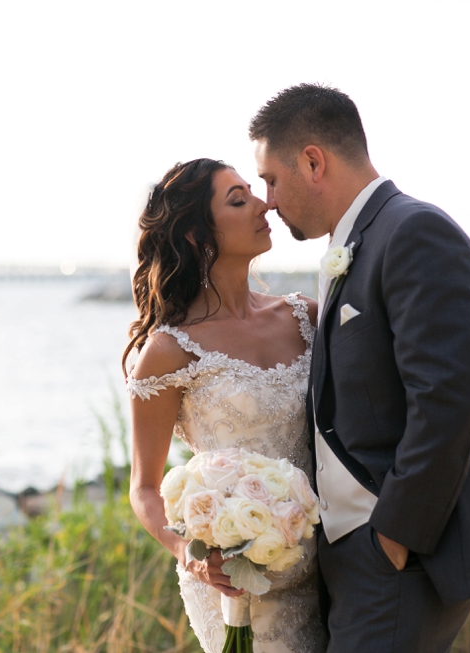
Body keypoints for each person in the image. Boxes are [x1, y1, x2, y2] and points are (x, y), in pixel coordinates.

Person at [249, 83, 470, 653]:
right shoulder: (357, 240)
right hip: (358, 554)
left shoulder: (412, 232)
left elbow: (448, 397)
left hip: (401, 556)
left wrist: (394, 537)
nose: (269, 200)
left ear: (313, 161)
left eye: (270, 179)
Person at [125, 158, 327, 653]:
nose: (265, 204)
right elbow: (145, 489)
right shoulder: (169, 351)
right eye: (239, 200)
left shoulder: (306, 316)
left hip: (328, 570)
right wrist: (191, 555)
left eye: (254, 192)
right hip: (232, 587)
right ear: (197, 235)